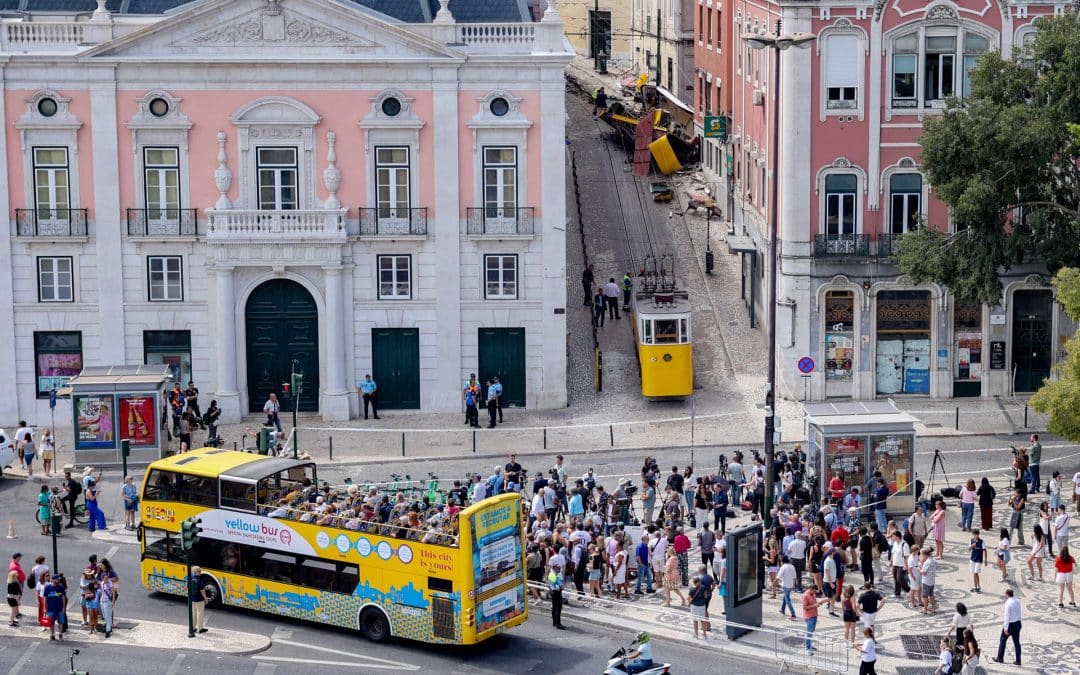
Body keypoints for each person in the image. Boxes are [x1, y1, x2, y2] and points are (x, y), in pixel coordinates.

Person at [992, 588, 1021, 665]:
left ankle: (1000, 657)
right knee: (1016, 642)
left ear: (1007, 594)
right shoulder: (1017, 600)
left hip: (1010, 624)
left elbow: (1007, 616)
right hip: (1017, 623)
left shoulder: (1008, 603)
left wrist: (1005, 628)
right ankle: (1018, 660)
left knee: (1003, 640)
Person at [802, 582, 827, 654]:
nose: (815, 592)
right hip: (809, 616)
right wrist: (815, 605)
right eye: (814, 591)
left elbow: (814, 604)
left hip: (814, 615)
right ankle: (807, 648)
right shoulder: (805, 596)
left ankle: (809, 645)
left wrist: (820, 603)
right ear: (811, 589)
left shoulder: (813, 594)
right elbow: (804, 607)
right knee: (809, 633)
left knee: (811, 632)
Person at [42, 573, 67, 641]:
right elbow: (45, 598)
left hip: (59, 608)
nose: (58, 580)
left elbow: (63, 598)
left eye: (58, 579)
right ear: (52, 580)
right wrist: (44, 608)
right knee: (51, 622)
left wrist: (64, 607)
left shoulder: (60, 587)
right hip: (50, 608)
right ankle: (52, 634)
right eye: (56, 579)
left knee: (60, 622)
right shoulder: (48, 588)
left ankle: (60, 634)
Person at [190, 566, 210, 633]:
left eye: (200, 571)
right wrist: (206, 598)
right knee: (200, 614)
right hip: (199, 600)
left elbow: (187, 588)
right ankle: (200, 628)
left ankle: (193, 628)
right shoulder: (199, 580)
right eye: (199, 571)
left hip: (193, 599)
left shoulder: (191, 578)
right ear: (195, 572)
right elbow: (202, 591)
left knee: (194, 614)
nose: (200, 572)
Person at [778, 555, 797, 620]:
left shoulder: (783, 567)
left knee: (787, 599)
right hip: (790, 585)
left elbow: (778, 577)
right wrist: (794, 585)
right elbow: (794, 577)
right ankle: (782, 609)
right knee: (785, 597)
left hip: (785, 585)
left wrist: (773, 583)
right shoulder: (792, 566)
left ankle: (793, 614)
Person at [547, 562, 566, 630]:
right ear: (554, 568)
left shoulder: (551, 574)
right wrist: (562, 586)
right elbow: (560, 586)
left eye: (560, 567)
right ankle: (558, 624)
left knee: (554, 607)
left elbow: (549, 584)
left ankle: (554, 622)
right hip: (556, 592)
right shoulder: (554, 575)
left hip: (552, 592)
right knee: (558, 608)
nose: (560, 569)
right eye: (558, 568)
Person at [969, 528, 985, 592]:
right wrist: (972, 546)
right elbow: (969, 549)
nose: (976, 536)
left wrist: (985, 560)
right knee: (973, 573)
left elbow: (985, 550)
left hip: (979, 560)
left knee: (976, 573)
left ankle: (978, 586)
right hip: (972, 559)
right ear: (973, 534)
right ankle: (975, 586)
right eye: (975, 534)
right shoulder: (971, 540)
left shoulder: (982, 542)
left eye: (977, 534)